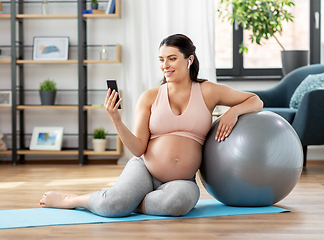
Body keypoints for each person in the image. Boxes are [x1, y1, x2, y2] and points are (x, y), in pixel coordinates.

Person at [40, 34, 263, 217]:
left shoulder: (208, 91)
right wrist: (115, 119)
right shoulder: (150, 97)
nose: (165, 65)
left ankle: (126, 202)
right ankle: (74, 200)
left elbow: (256, 100)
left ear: (189, 60)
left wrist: (233, 112)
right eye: (161, 59)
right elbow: (138, 148)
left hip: (182, 179)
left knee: (177, 204)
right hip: (144, 170)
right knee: (112, 206)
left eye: (172, 58)